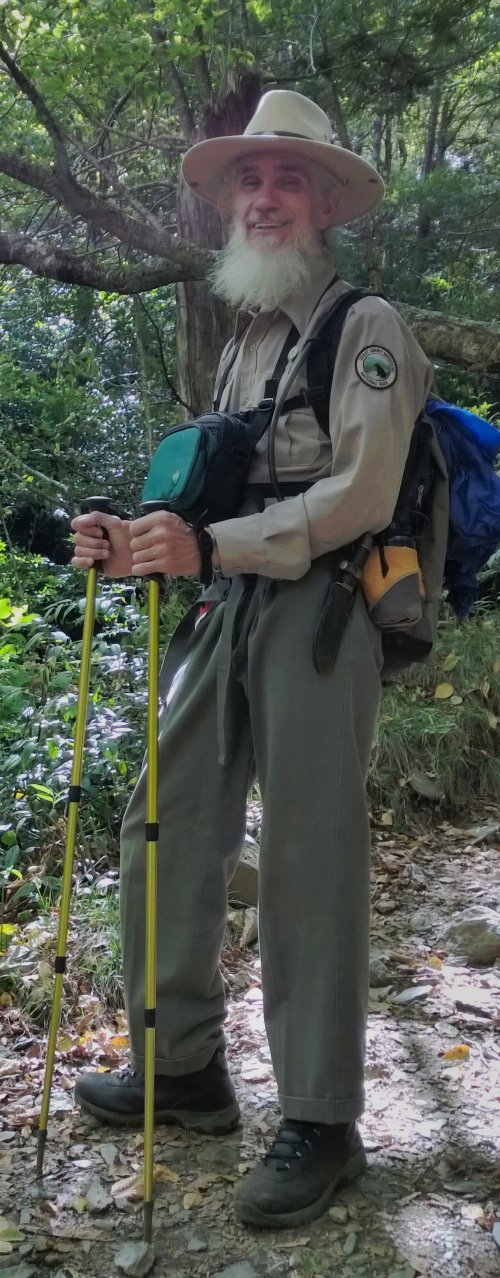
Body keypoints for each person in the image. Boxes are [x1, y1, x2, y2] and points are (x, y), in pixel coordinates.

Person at [71, 90, 433, 1228]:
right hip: (223, 605)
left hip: (321, 612)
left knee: (306, 858)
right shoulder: (245, 338)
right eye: (249, 181)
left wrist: (212, 543)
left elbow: (363, 493)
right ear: (231, 204)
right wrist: (135, 536)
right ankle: (181, 1068)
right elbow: (215, 486)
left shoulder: (365, 328)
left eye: (287, 179)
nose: (265, 197)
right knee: (159, 823)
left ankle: (320, 1118)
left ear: (324, 201)